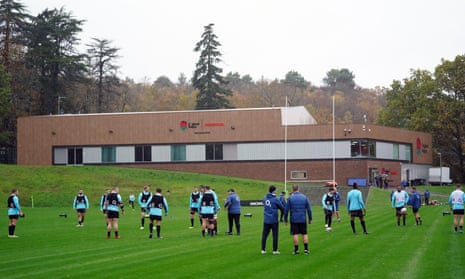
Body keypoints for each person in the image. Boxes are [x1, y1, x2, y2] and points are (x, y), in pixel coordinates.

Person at [284, 185, 312, 255]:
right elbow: (309, 209)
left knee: (295, 234)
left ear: (292, 189)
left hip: (294, 219)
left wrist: (285, 219)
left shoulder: (290, 198)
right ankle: (306, 249)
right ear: (298, 189)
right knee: (304, 233)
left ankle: (296, 250)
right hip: (302, 219)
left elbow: (286, 210)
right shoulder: (304, 197)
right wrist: (310, 218)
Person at [261, 185, 285, 255]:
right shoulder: (276, 199)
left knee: (264, 235)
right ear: (274, 191)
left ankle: (263, 249)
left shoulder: (265, 197)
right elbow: (282, 208)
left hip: (266, 219)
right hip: (274, 219)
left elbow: (265, 204)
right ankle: (275, 250)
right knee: (275, 235)